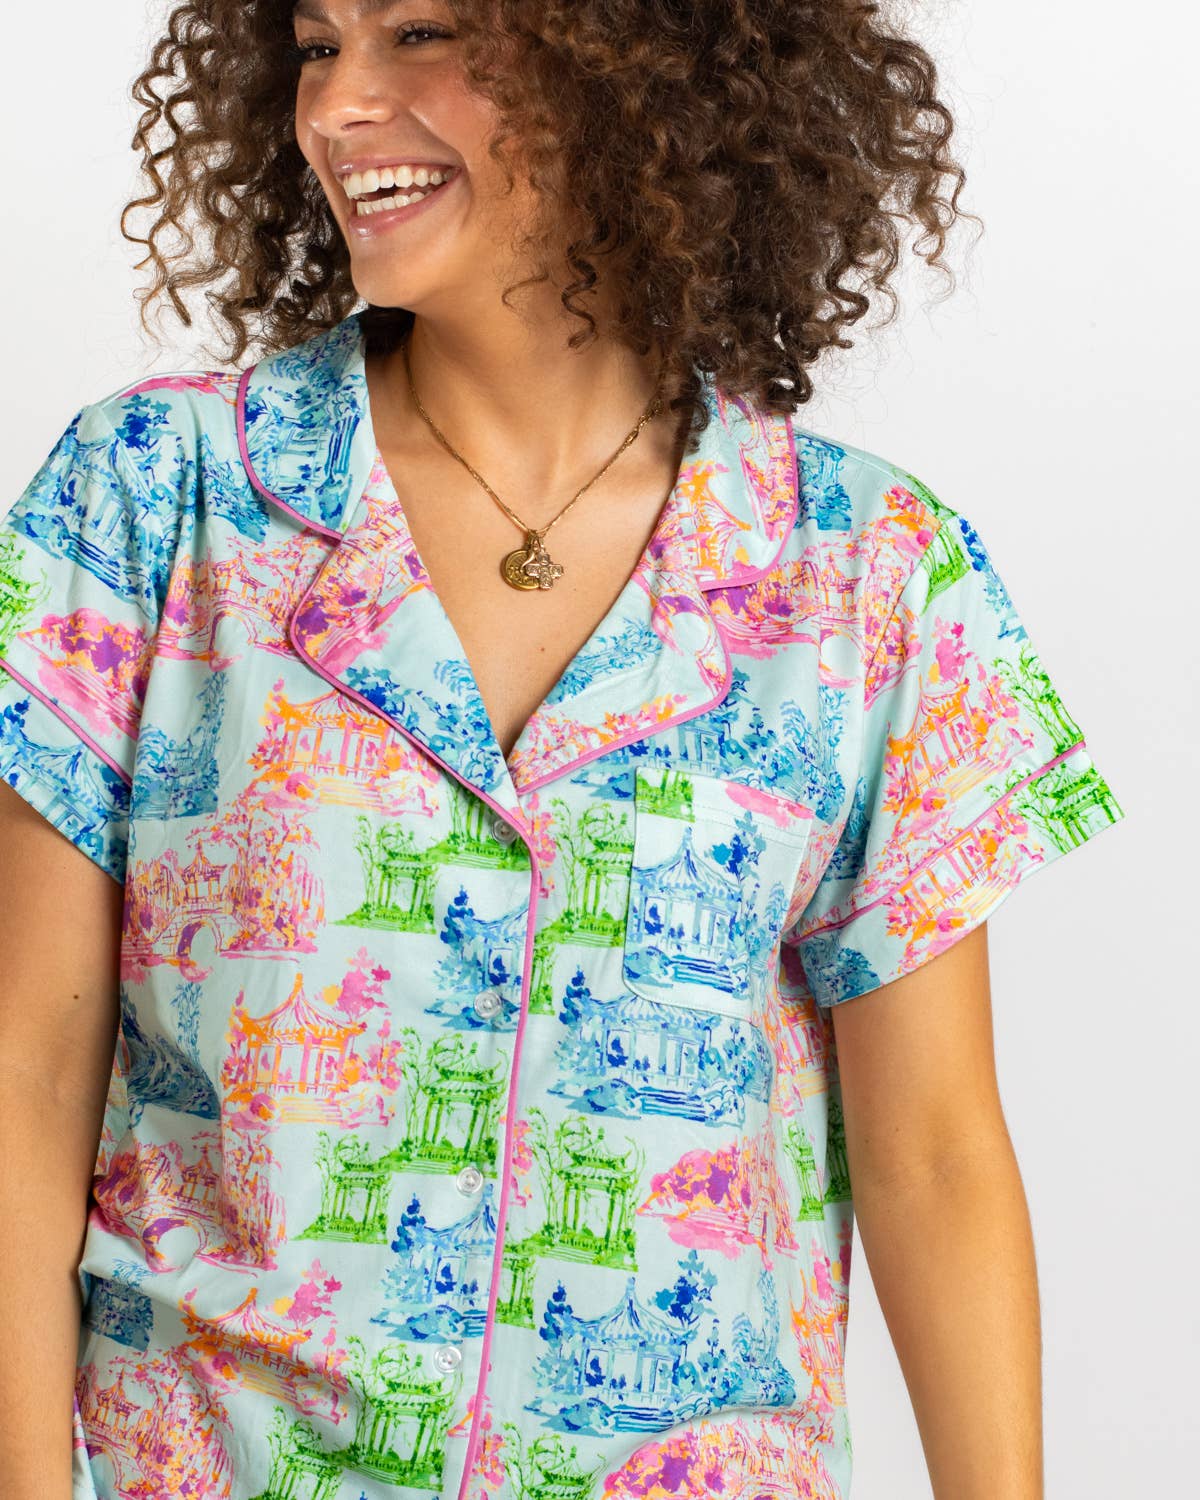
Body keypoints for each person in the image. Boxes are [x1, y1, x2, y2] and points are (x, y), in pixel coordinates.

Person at [0, 2, 1127, 1498]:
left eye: (419, 30)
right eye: (317, 44)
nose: (337, 106)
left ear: (630, 67)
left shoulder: (869, 569)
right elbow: (27, 1071)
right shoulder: (154, 496)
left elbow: (935, 1156)